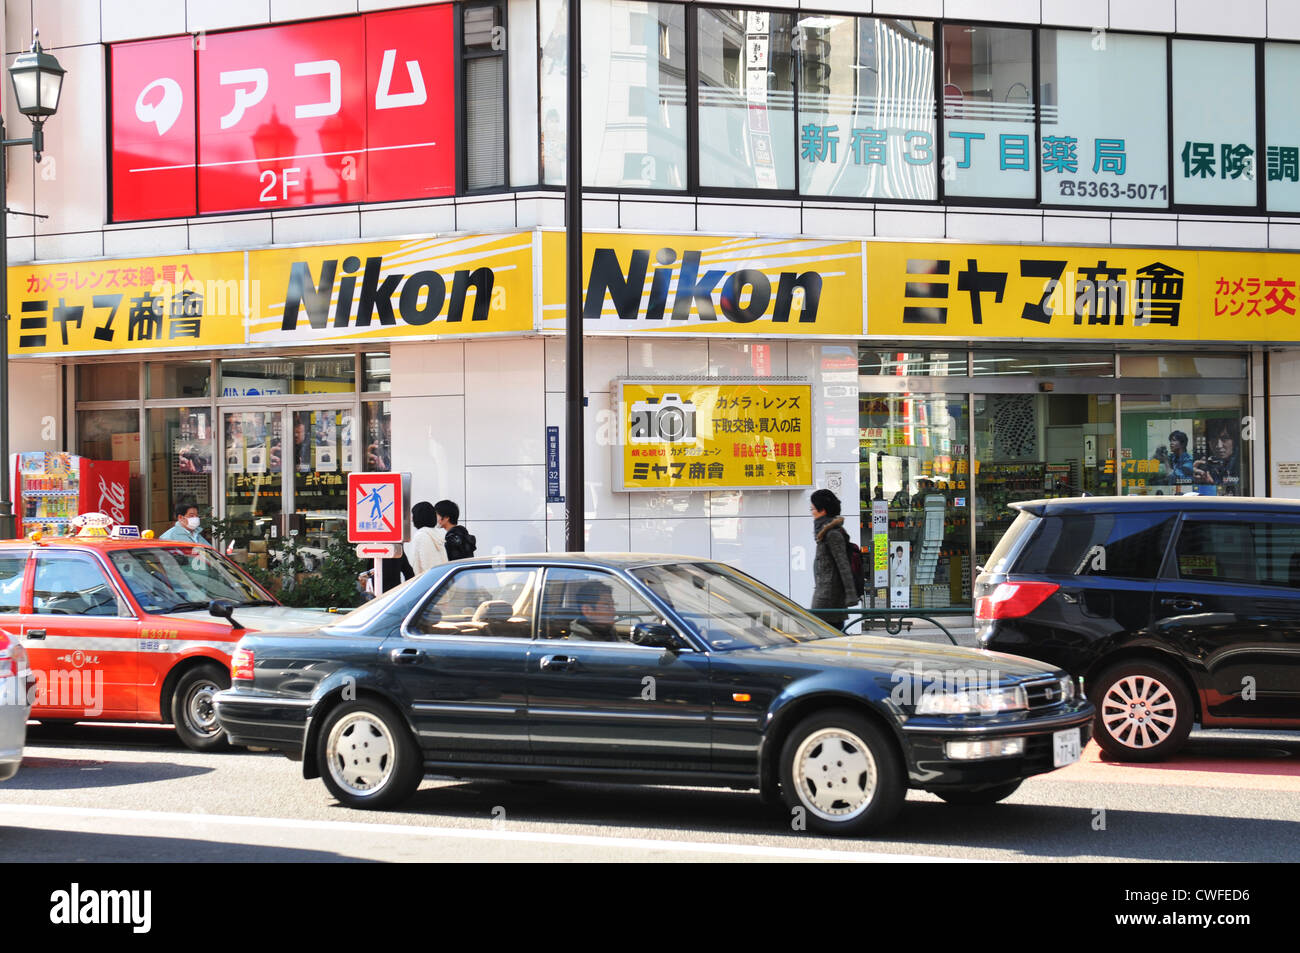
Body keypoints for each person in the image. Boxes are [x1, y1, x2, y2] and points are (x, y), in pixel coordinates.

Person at [809, 488, 857, 631]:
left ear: (822, 510)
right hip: (824, 594)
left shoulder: (832, 534)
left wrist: (850, 596)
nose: (812, 512)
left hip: (829, 599)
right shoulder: (824, 533)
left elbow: (843, 566)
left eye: (813, 509)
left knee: (829, 639)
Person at [1194, 419, 1241, 490]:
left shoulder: (1240, 464)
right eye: (1213, 438)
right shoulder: (1204, 462)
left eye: (1225, 438)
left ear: (1234, 440)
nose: (1219, 445)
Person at [408, 501, 447, 575]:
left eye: (413, 515)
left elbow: (426, 565)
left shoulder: (421, 536)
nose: (412, 519)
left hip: (425, 583)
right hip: (439, 580)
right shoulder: (435, 534)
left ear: (419, 516)